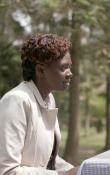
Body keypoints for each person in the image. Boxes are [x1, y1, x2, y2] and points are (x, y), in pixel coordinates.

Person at [0, 34, 78, 175]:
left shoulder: (48, 99)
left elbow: (47, 160)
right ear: (40, 70)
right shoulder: (17, 101)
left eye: (69, 67)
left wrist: (79, 170)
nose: (70, 73)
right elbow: (7, 171)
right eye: (64, 68)